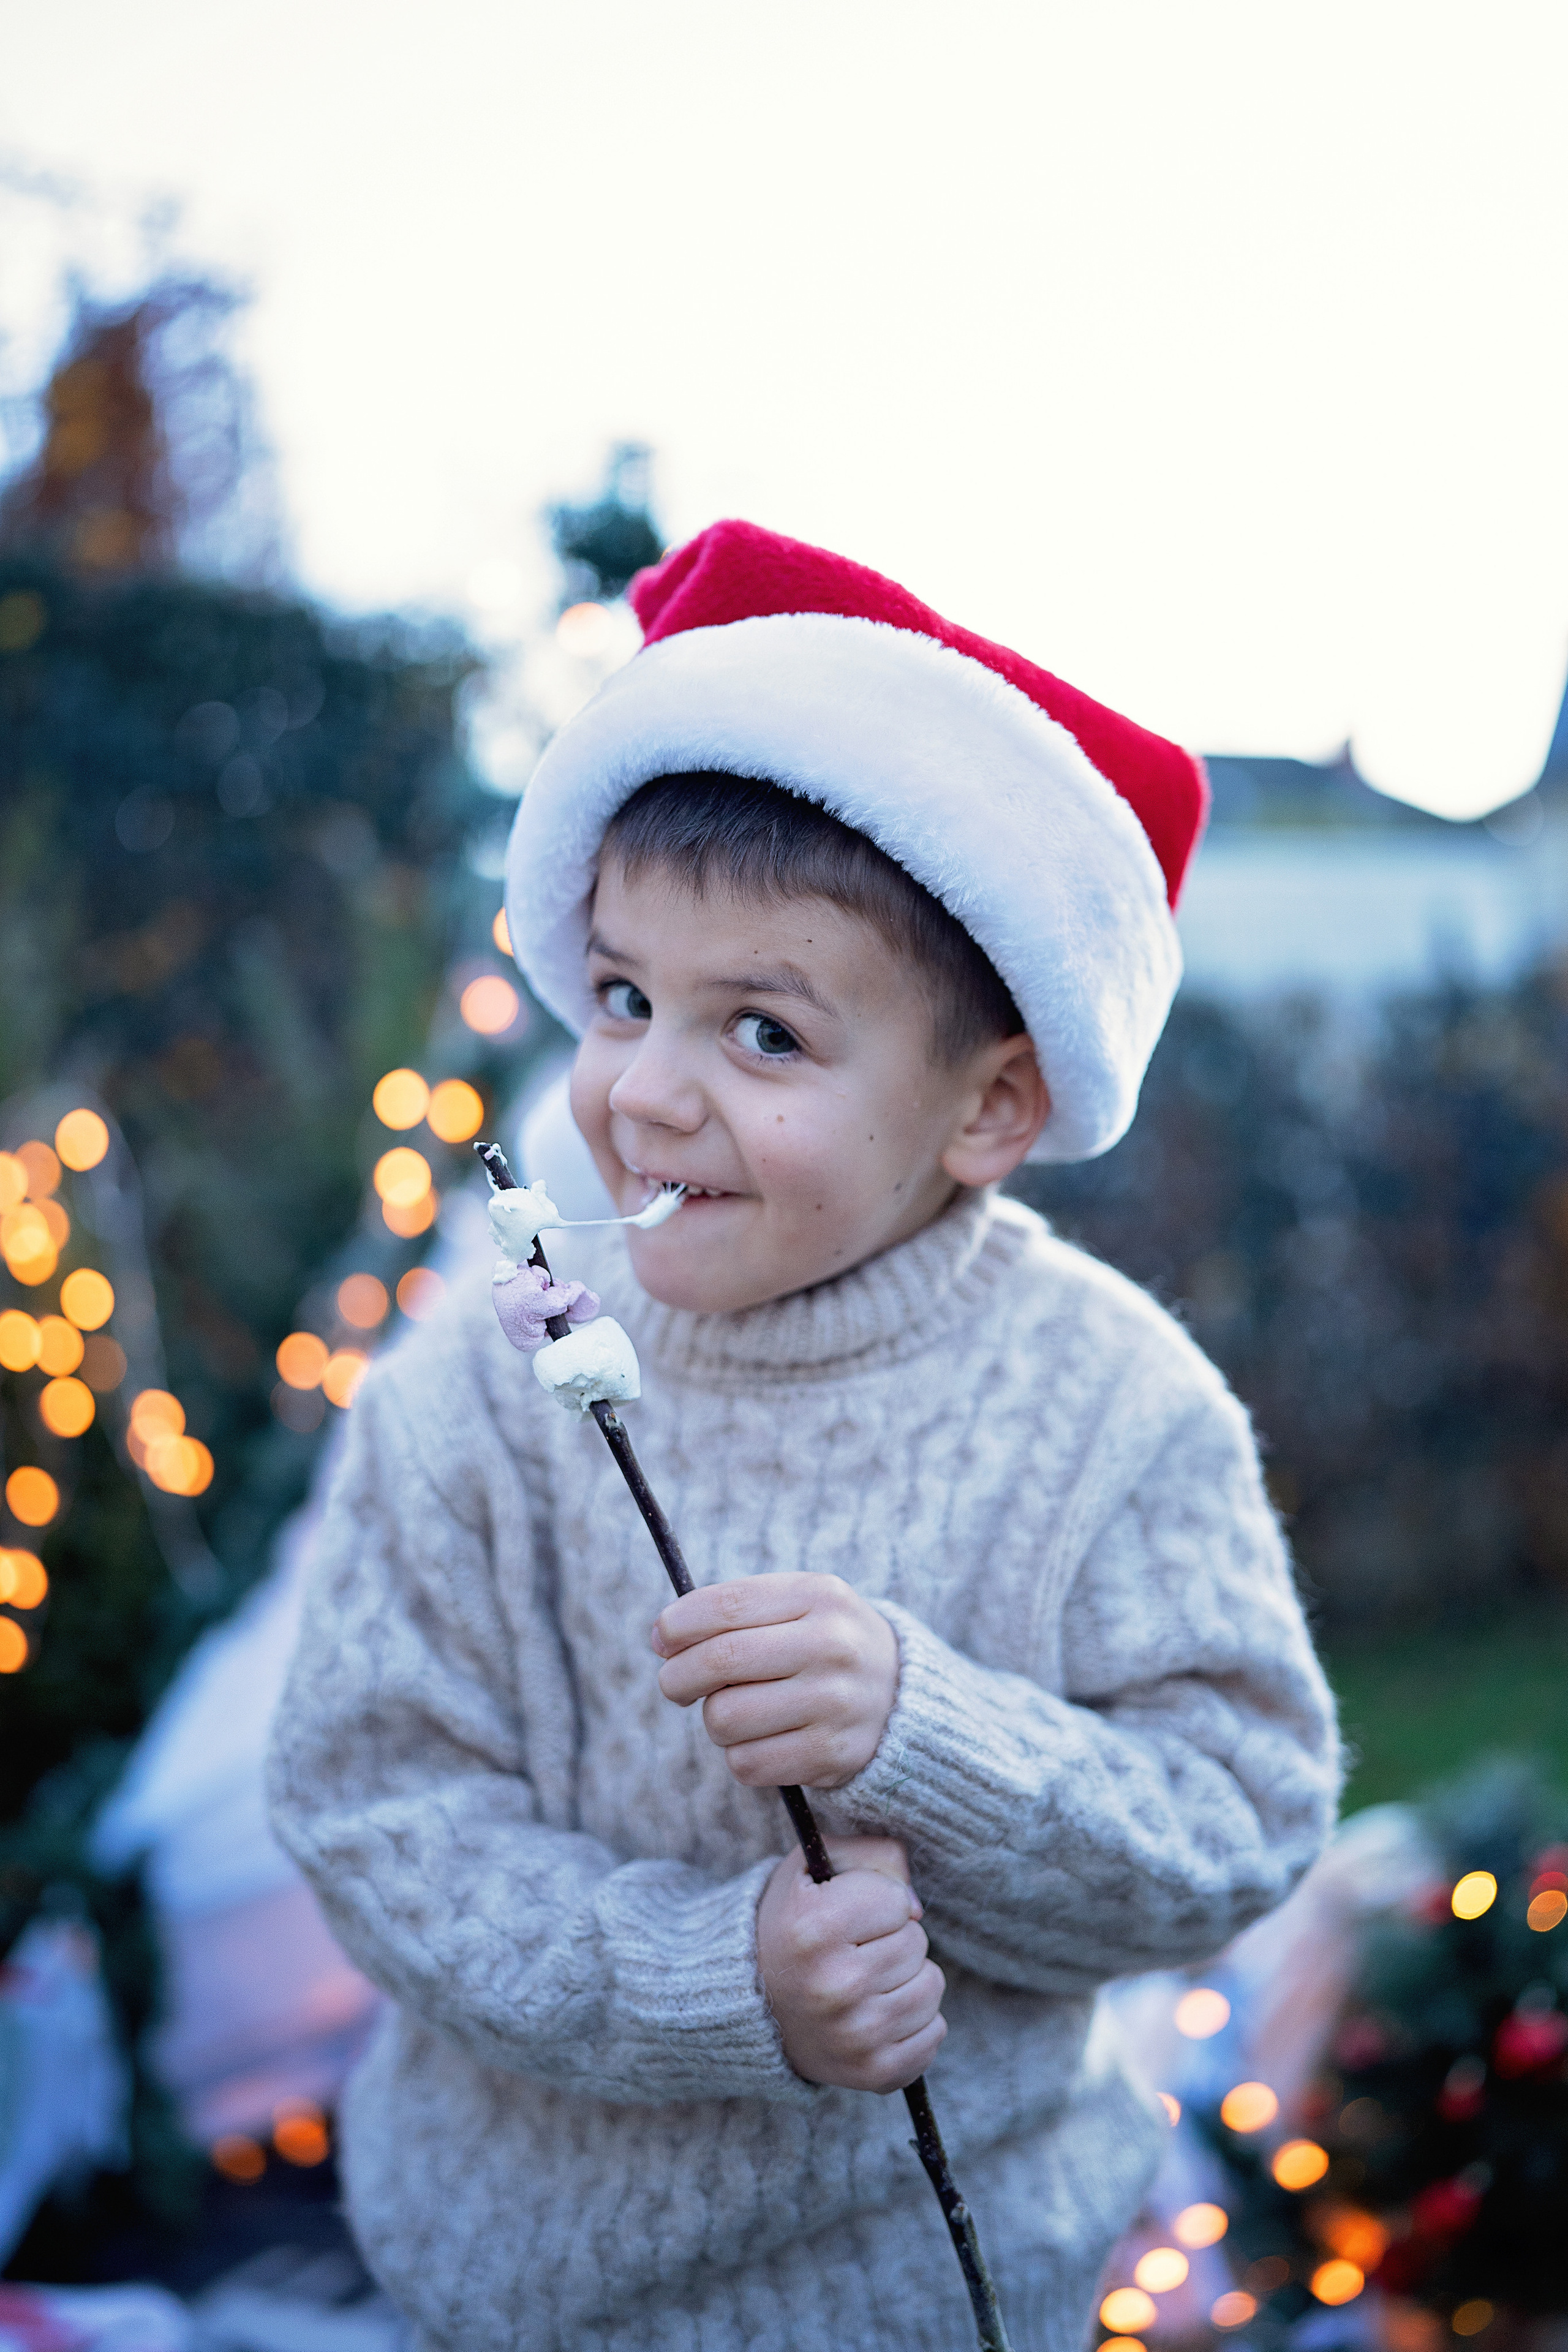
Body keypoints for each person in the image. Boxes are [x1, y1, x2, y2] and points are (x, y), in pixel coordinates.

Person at [268, 521, 1341, 2352]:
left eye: (761, 1032)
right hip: (521, 2294)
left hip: (944, 2293)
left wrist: (935, 1737)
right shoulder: (482, 1389)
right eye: (625, 997)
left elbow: (1238, 1819)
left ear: (989, 1106)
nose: (643, 1089)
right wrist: (717, 1976)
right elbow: (376, 1806)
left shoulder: (1111, 1408)